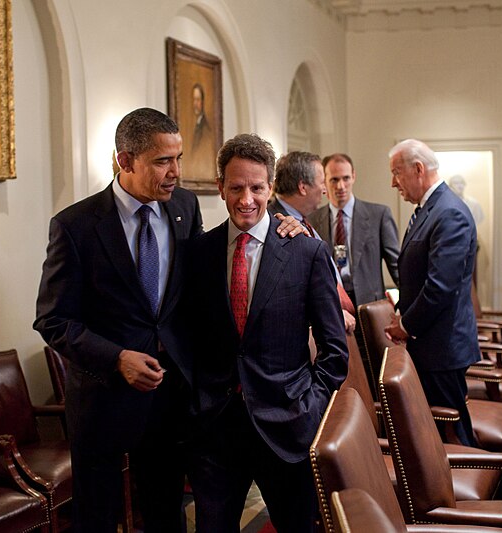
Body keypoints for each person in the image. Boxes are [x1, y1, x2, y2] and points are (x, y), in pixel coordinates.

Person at [34, 108, 304, 533]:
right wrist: (116, 357)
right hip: (105, 400)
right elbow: (53, 320)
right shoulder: (76, 226)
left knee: (167, 514)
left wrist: (282, 228)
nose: (176, 171)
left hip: (172, 396)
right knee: (97, 519)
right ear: (126, 161)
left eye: (178, 158)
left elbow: (204, 277)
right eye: (163, 161)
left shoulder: (182, 207)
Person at [184, 134, 348, 533]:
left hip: (287, 423)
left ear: (271, 188)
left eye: (257, 188)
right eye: (236, 187)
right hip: (215, 430)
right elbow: (186, 337)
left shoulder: (306, 252)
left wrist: (309, 406)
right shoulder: (198, 253)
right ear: (220, 186)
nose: (246, 199)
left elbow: (334, 349)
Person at [384, 139, 481, 447]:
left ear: (418, 169)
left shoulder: (448, 212)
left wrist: (406, 324)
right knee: (434, 435)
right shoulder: (431, 208)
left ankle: (476, 490)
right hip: (431, 346)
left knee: (455, 436)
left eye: (396, 173)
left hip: (442, 348)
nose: (393, 182)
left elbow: (440, 288)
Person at [268, 150, 356, 333]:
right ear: (303, 187)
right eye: (322, 182)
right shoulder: (277, 226)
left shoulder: (304, 221)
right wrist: (333, 312)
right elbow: (290, 291)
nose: (325, 190)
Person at [308, 153, 400, 310]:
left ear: (353, 176)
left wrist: (408, 305)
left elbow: (396, 265)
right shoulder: (312, 220)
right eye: (334, 180)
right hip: (330, 305)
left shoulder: (378, 215)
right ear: (324, 181)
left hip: (369, 305)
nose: (341, 186)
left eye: (346, 178)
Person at [182, 83, 215, 180]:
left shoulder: (206, 130)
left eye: (198, 100)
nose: (195, 104)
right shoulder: (192, 127)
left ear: (203, 102)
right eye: (194, 100)